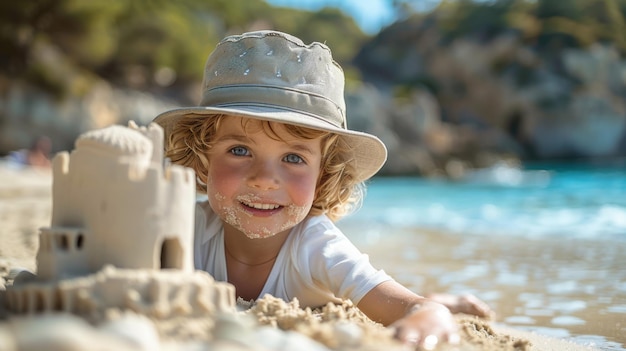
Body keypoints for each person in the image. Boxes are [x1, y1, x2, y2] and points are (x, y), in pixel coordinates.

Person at [154, 30, 492, 349]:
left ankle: (446, 298)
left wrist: (432, 312)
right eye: (240, 151)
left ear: (324, 175)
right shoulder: (185, 228)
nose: (264, 179)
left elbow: (412, 309)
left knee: (390, 299)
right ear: (202, 160)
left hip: (338, 288)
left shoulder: (316, 244)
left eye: (292, 157)